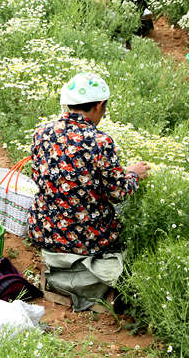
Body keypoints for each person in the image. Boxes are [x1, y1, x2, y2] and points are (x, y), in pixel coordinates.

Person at [28, 73, 149, 310]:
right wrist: (133, 174)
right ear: (99, 105)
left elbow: (39, 177)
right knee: (122, 226)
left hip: (45, 230)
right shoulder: (100, 142)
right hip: (88, 238)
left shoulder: (42, 132)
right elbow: (118, 193)